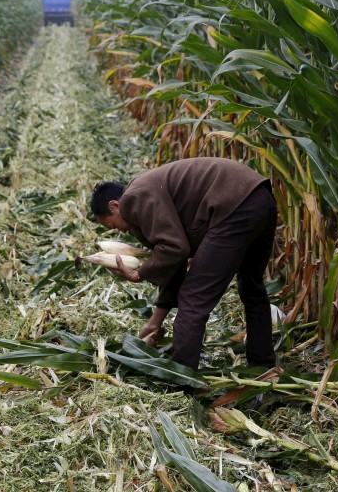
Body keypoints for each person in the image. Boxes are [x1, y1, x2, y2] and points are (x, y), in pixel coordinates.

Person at [90, 157, 278, 370]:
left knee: (193, 298)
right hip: (260, 198)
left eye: (110, 224)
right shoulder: (145, 188)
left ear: (115, 205)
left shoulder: (134, 198)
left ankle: (183, 378)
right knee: (251, 287)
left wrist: (140, 273)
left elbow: (174, 248)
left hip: (233, 207)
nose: (118, 231)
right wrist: (155, 321)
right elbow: (174, 257)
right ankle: (262, 366)